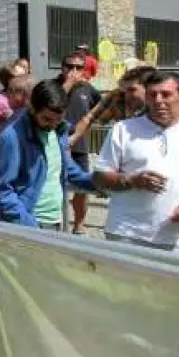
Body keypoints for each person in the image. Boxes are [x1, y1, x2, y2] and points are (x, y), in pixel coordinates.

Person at [93, 71, 179, 256]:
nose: (158, 100)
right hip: (126, 234)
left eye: (166, 94)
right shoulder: (123, 130)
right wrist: (131, 181)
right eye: (152, 95)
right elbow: (99, 177)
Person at [0, 80, 97, 228]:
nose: (53, 125)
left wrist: (102, 182)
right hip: (28, 225)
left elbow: (69, 170)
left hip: (54, 222)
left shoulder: (58, 131)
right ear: (32, 108)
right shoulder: (12, 137)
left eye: (58, 119)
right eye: (47, 119)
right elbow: (3, 190)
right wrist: (28, 224)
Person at [57, 52, 101, 234]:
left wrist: (88, 123)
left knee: (81, 189)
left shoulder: (88, 89)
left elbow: (99, 107)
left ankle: (79, 223)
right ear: (62, 67)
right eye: (70, 66)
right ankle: (57, 221)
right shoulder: (55, 86)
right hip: (57, 145)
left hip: (79, 146)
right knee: (56, 184)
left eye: (79, 67)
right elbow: (53, 102)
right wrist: (68, 84)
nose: (74, 71)